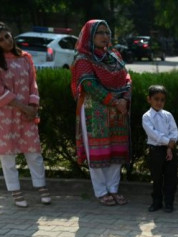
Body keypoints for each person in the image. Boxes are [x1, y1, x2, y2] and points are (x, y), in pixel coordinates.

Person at [0, 21, 51, 207]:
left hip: (27, 114)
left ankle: (41, 186)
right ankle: (15, 190)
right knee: (8, 155)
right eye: (1, 39)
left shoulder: (25, 57)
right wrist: (23, 107)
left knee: (34, 152)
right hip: (5, 115)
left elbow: (32, 84)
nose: (7, 41)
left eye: (8, 35)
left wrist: (33, 105)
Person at [71, 20, 132, 206]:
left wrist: (125, 99)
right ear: (90, 35)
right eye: (100, 33)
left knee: (117, 149)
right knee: (98, 151)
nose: (105, 37)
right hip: (94, 110)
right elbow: (90, 86)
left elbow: (127, 77)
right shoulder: (83, 59)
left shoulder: (114, 55)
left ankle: (113, 188)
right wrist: (114, 101)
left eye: (107, 33)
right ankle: (101, 191)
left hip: (119, 110)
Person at [141, 84, 178, 213]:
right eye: (156, 99)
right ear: (149, 99)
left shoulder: (168, 115)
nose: (159, 102)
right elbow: (154, 134)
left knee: (170, 177)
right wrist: (168, 142)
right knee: (157, 178)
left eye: (162, 100)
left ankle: (169, 203)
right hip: (156, 150)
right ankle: (156, 202)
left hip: (170, 149)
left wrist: (170, 146)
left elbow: (174, 131)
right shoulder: (147, 117)